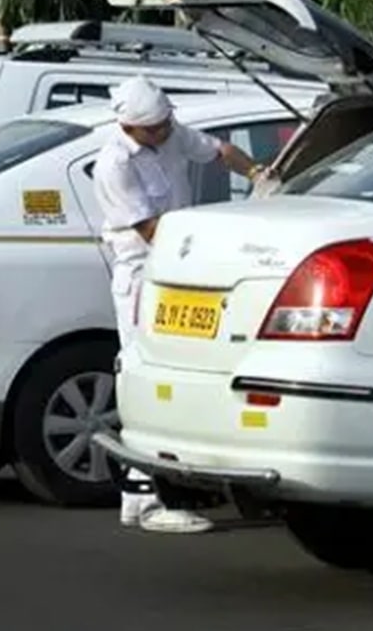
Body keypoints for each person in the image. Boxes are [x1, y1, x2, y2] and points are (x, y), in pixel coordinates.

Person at [93, 76, 262, 533]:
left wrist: (259, 175)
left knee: (175, 379)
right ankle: (141, 499)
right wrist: (215, 238)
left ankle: (173, 486)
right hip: (142, 277)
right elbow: (150, 231)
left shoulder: (169, 131)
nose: (168, 133)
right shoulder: (113, 166)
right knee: (143, 377)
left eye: (168, 124)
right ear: (132, 127)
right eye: (157, 129)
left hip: (177, 272)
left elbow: (220, 152)